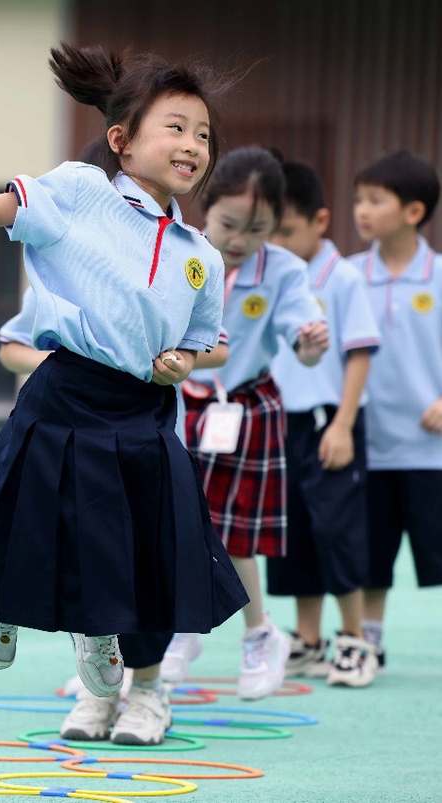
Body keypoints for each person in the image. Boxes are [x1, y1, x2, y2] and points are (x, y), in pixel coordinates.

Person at [0, 42, 248, 746]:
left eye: (204, 134)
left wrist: (185, 358)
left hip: (145, 411)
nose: (193, 145)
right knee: (25, 500)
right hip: (67, 388)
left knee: (145, 554)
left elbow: (214, 341)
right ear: (121, 142)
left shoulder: (199, 255)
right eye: (176, 128)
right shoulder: (80, 192)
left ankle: (140, 687)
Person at [165, 146, 330, 699]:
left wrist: (311, 343)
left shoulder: (283, 270)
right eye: (229, 224)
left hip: (246, 407)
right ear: (205, 207)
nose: (239, 240)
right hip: (181, 401)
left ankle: (259, 634)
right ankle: (182, 631)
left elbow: (303, 340)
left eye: (257, 230)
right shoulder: (178, 249)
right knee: (175, 524)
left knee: (232, 534)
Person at [267, 159, 382, 687]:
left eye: (287, 231)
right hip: (279, 426)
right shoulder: (271, 276)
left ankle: (355, 639)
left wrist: (342, 424)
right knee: (292, 535)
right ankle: (308, 640)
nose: (278, 242)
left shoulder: (344, 279)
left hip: (329, 424)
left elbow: (359, 354)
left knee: (338, 530)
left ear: (319, 221)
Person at [350, 150, 442, 674]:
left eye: (374, 200)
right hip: (370, 443)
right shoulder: (346, 274)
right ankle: (369, 640)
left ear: (412, 211)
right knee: (371, 556)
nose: (361, 210)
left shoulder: (439, 277)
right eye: (359, 199)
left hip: (431, 450)